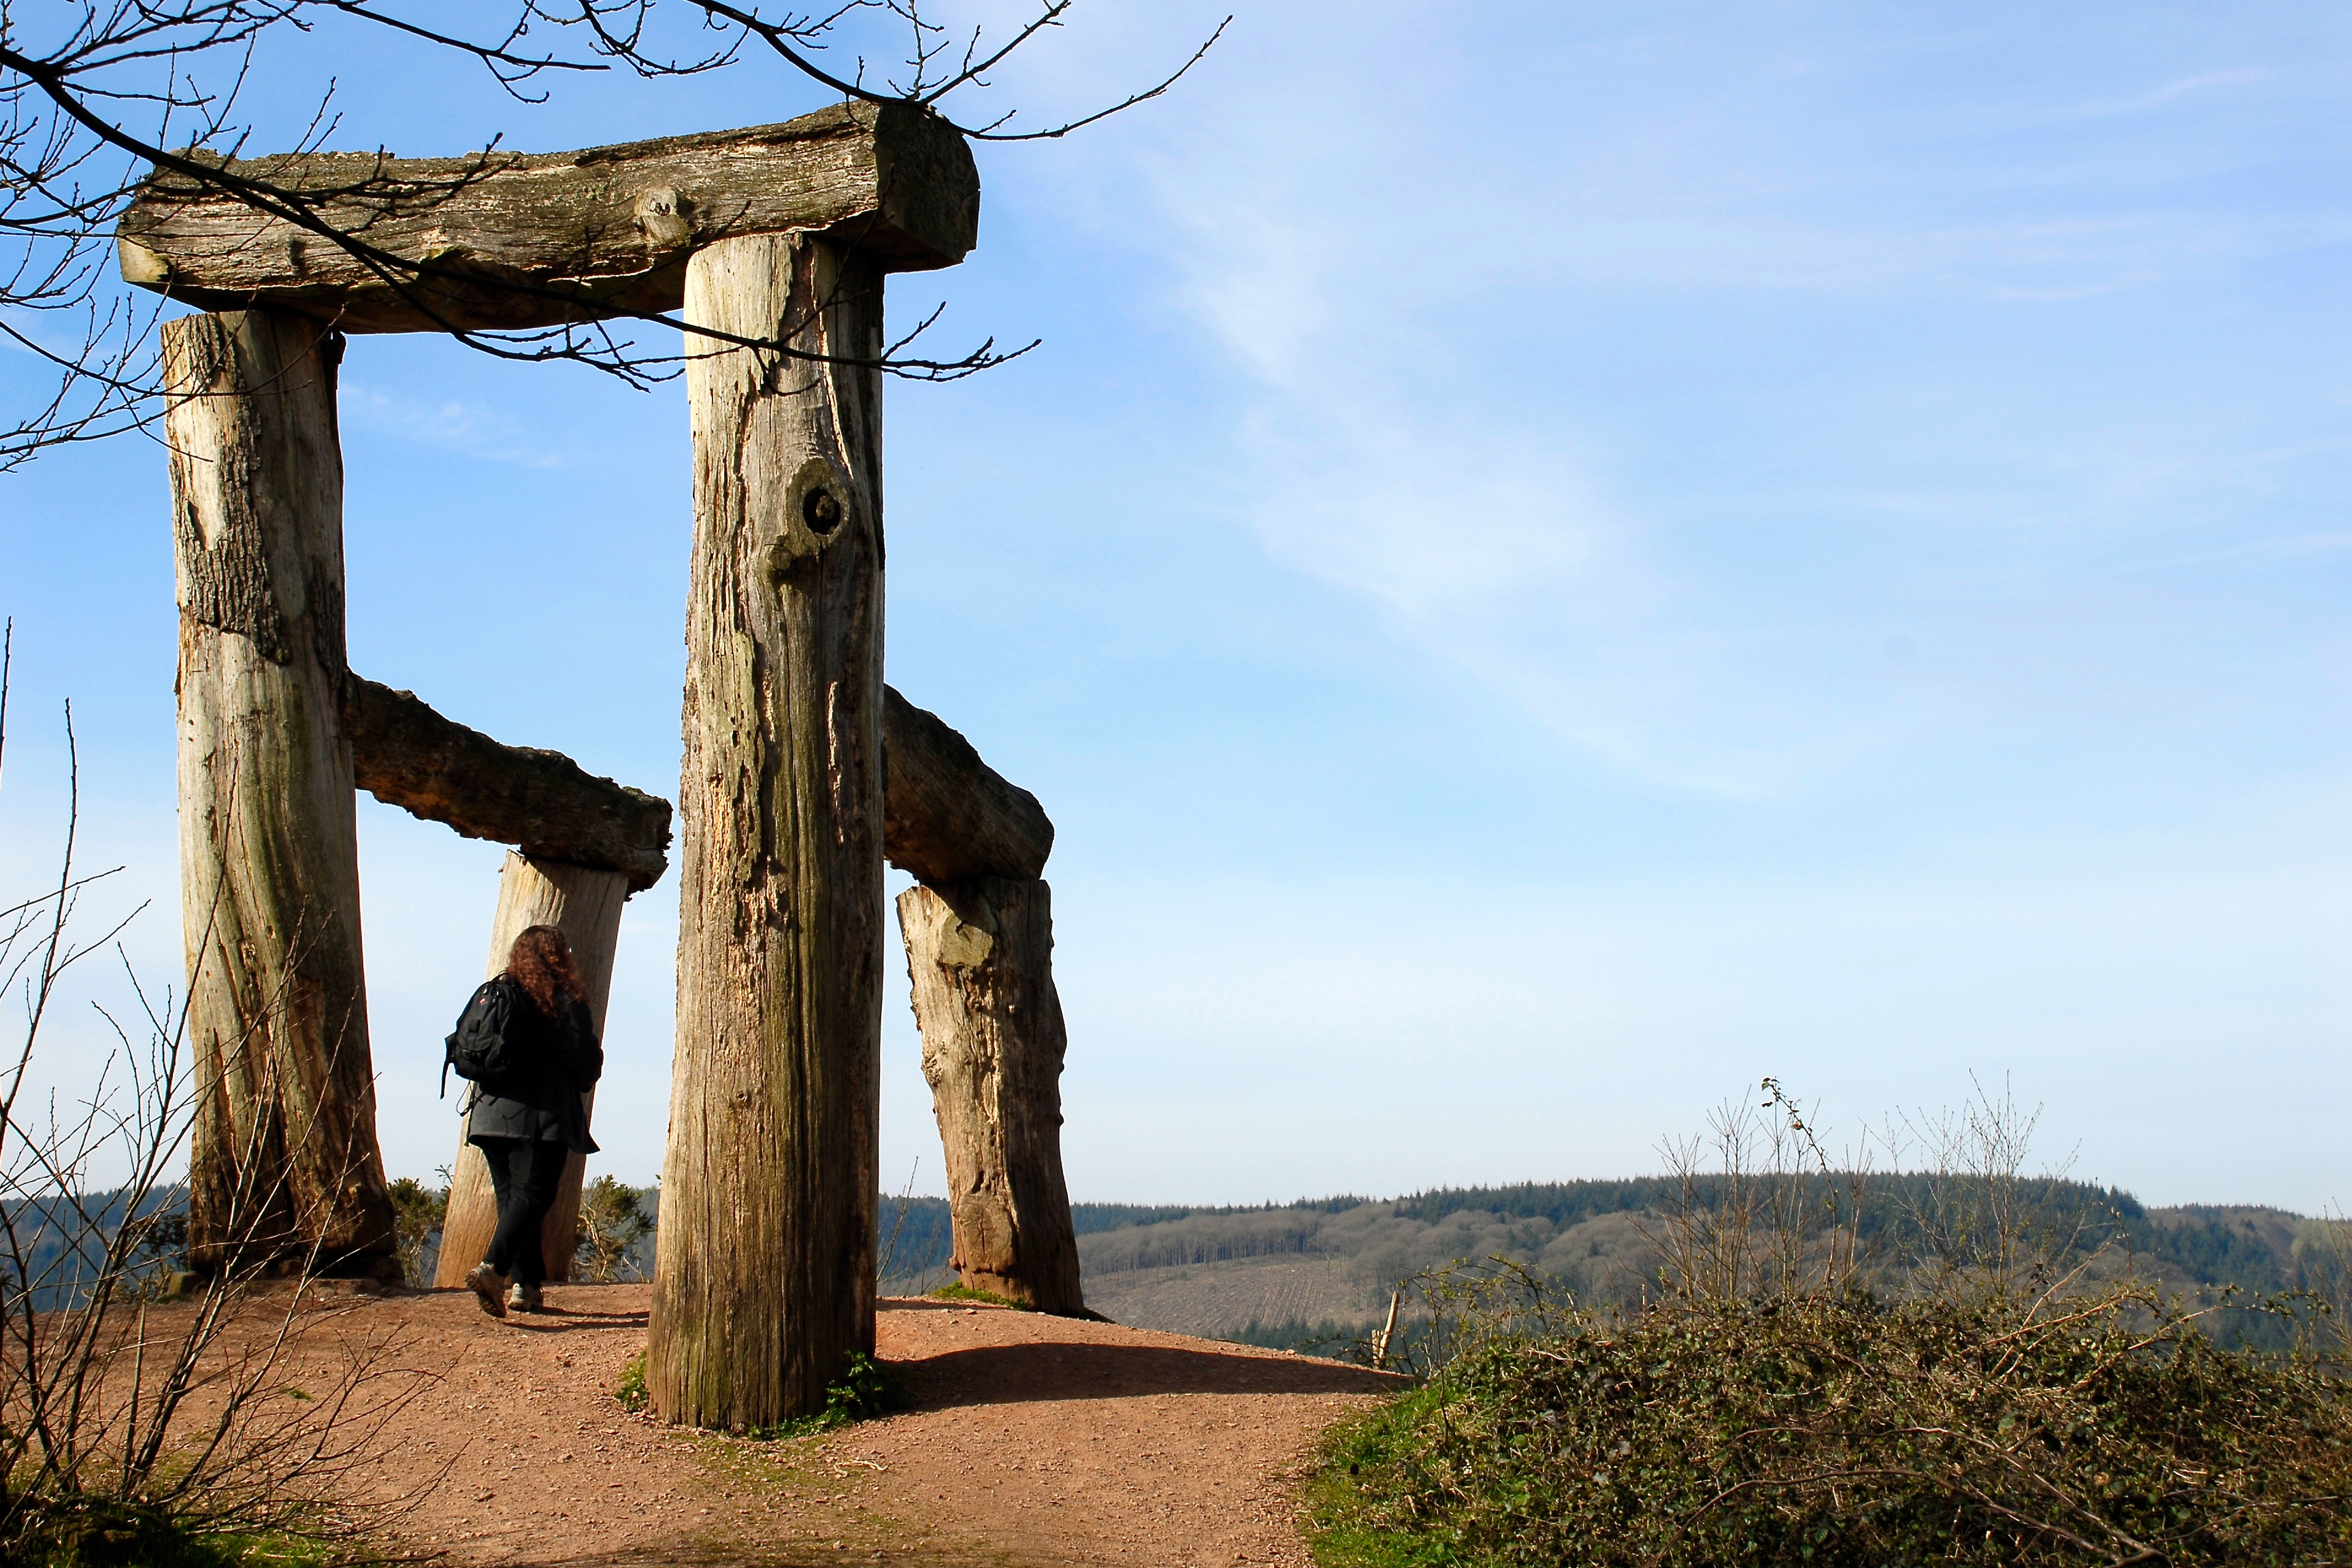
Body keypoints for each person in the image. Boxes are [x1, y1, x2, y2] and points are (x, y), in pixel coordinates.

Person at [457, 924, 603, 1318]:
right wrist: (590, 1071)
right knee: (534, 1196)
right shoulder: (561, 997)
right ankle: (494, 1269)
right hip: (542, 1114)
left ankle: (527, 1287)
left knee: (515, 1202)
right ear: (558, 956)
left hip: (488, 1114)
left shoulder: (498, 993)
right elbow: (581, 1054)